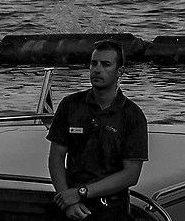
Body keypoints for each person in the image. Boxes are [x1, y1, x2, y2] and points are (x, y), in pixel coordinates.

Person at [48, 39, 148, 220]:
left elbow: (131, 174)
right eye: (93, 63)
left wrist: (82, 192)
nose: (97, 69)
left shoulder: (133, 116)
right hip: (70, 204)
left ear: (120, 72)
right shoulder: (70, 105)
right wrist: (68, 200)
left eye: (106, 64)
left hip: (112, 208)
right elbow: (56, 156)